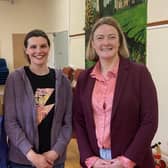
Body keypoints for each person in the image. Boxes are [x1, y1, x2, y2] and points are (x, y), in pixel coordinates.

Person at [73, 16, 158, 168]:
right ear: (93, 43)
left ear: (119, 42)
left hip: (133, 161)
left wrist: (125, 160)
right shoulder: (85, 78)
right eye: (100, 38)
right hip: (97, 161)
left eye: (112, 37)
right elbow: (78, 121)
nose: (106, 42)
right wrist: (90, 159)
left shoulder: (139, 73)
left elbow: (149, 121)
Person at [4, 29, 72, 168]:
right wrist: (32, 155)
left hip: (54, 160)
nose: (38, 50)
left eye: (43, 46)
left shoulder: (63, 81)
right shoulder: (14, 79)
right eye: (33, 47)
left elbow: (68, 122)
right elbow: (10, 122)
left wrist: (55, 152)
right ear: (26, 50)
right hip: (22, 160)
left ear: (49, 48)